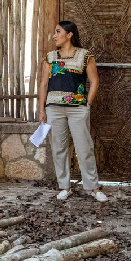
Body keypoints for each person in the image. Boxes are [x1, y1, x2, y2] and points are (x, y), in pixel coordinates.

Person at [37, 21, 107, 202]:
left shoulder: (85, 56)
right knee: (59, 148)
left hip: (77, 109)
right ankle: (64, 187)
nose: (54, 35)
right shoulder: (50, 57)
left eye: (58, 31)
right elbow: (44, 84)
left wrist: (87, 105)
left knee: (84, 148)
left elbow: (94, 81)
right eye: (54, 32)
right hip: (54, 109)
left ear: (69, 35)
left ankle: (93, 187)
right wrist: (42, 110)